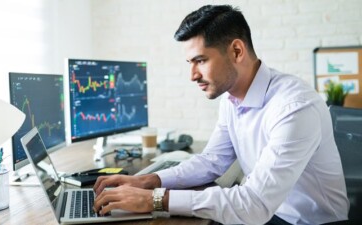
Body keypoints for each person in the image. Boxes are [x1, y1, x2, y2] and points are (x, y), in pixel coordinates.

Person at [93, 4, 349, 225]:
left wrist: (156, 200)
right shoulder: (232, 98)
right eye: (190, 63)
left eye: (201, 60)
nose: (192, 75)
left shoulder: (294, 107)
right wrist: (150, 180)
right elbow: (212, 160)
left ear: (237, 51)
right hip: (271, 213)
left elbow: (254, 204)